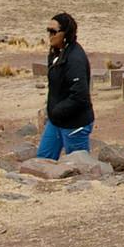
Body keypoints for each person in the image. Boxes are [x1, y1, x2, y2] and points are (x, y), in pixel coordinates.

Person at [38, 12, 92, 159]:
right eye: (48, 30)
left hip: (75, 124)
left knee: (79, 166)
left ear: (65, 33)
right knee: (43, 159)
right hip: (56, 121)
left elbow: (80, 95)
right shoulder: (56, 53)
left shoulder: (75, 59)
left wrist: (56, 110)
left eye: (53, 32)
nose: (49, 35)